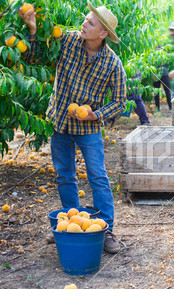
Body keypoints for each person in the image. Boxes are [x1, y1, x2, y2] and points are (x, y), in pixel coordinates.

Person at [19, 1, 126, 254]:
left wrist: (95, 115)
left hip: (88, 130)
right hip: (61, 123)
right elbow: (35, 56)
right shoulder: (66, 41)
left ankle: (106, 229)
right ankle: (70, 225)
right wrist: (33, 30)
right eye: (86, 19)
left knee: (98, 177)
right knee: (65, 176)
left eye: (90, 22)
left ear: (102, 34)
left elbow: (120, 102)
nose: (84, 23)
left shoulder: (112, 63)